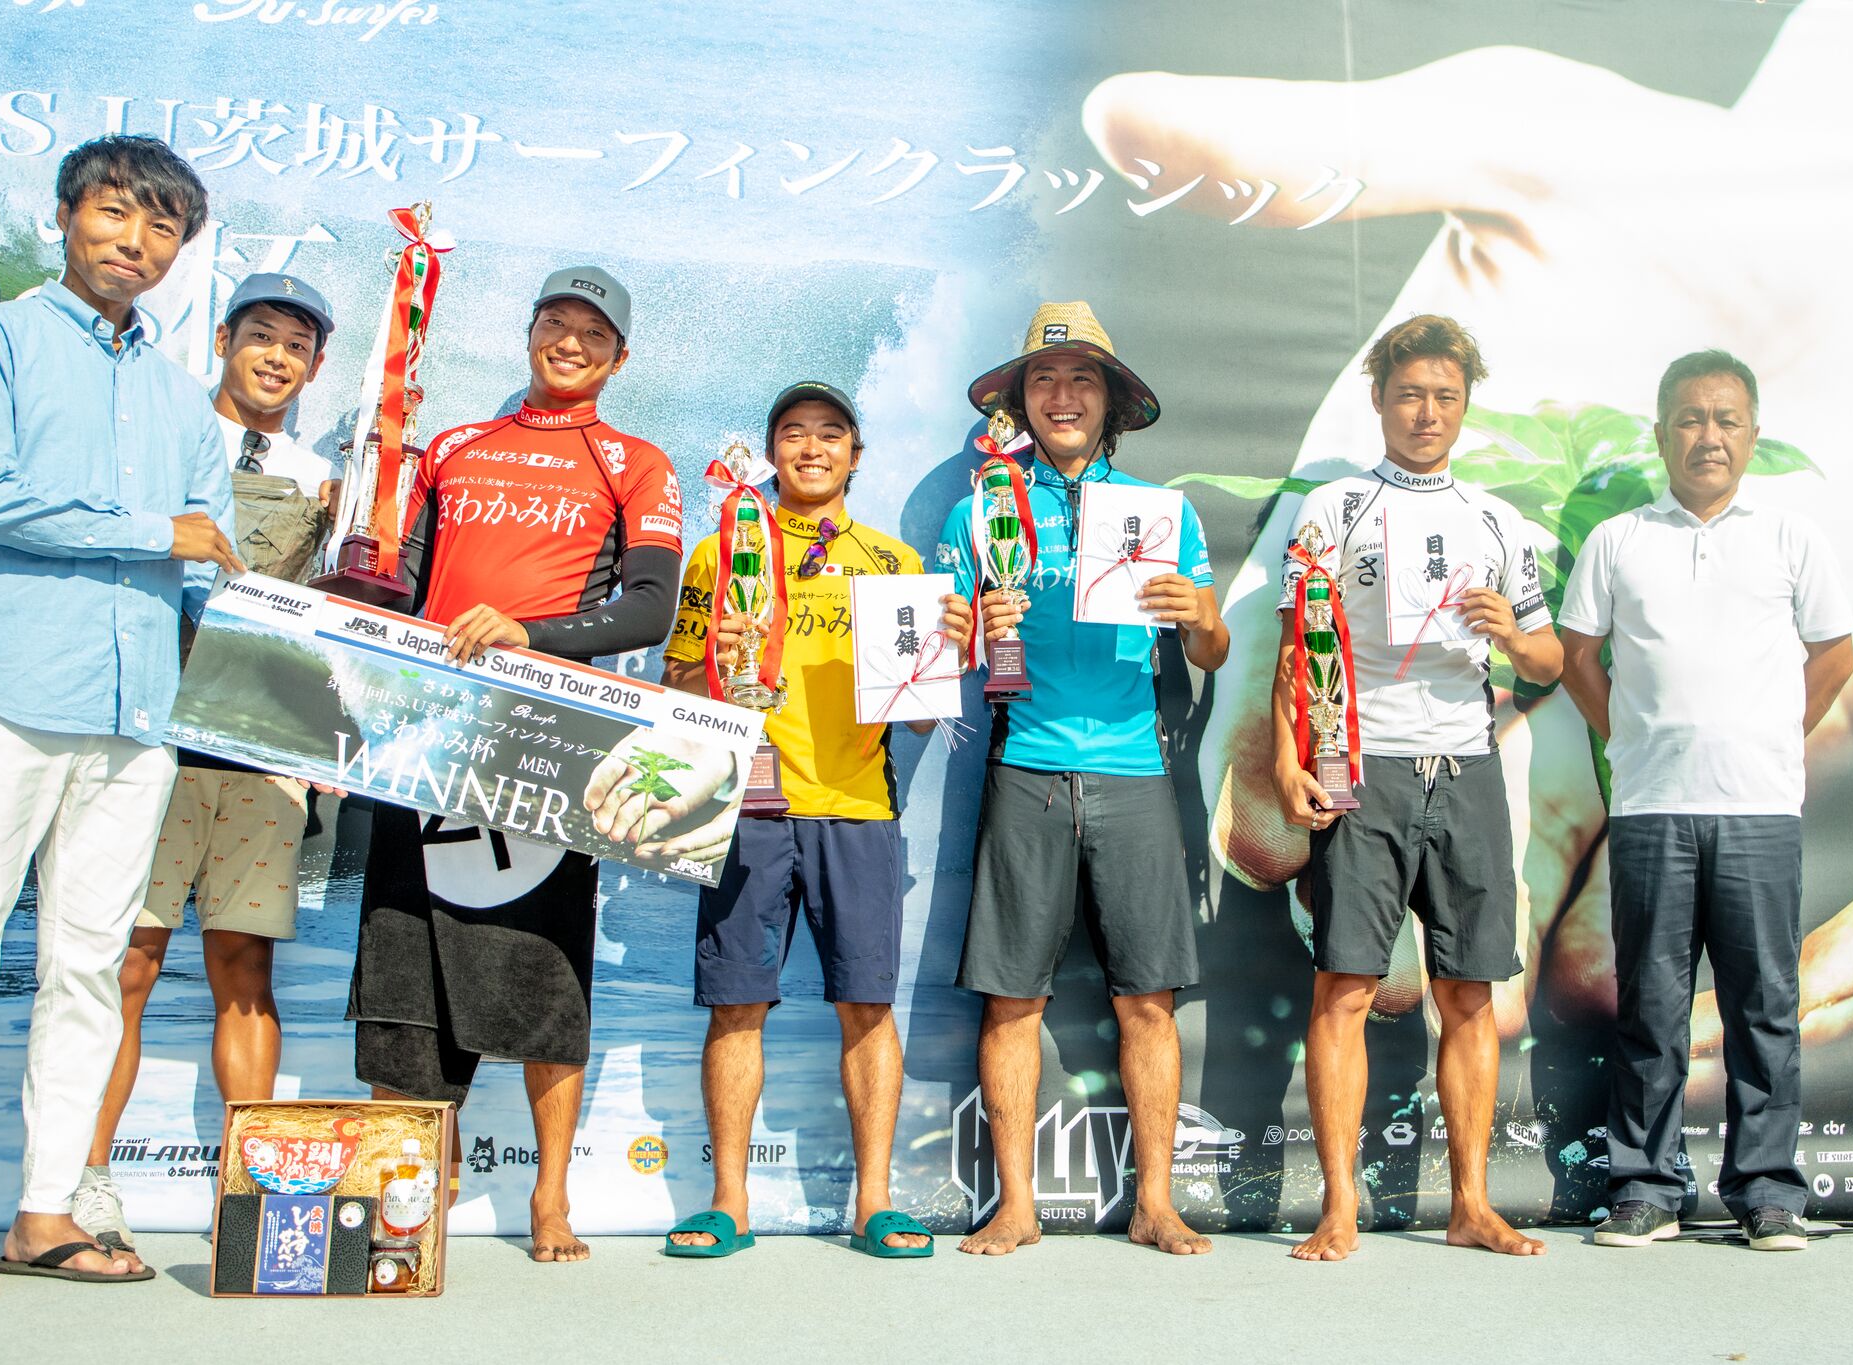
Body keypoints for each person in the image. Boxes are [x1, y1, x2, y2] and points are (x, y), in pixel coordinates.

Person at [0, 134, 237, 1298]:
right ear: (66, 216)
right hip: (1, 696)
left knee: (88, 971)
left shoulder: (183, 398)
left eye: (162, 226)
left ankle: (45, 1214)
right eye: (114, 213)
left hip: (137, 720)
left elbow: (210, 560)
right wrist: (154, 532)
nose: (135, 241)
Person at [346, 265, 683, 1264]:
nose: (570, 343)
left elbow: (648, 609)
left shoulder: (635, 462)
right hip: (425, 733)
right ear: (530, 332)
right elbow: (399, 588)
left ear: (619, 358)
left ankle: (549, 1200)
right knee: (404, 964)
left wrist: (529, 634)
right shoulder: (453, 446)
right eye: (555, 323)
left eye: (593, 333)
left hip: (547, 743)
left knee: (544, 973)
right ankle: (409, 1191)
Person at [652, 382, 972, 1259]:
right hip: (746, 807)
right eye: (793, 432)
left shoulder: (893, 562)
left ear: (855, 456)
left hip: (858, 807)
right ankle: (729, 1202)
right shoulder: (723, 549)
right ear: (770, 452)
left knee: (868, 1006)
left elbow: (918, 721)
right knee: (735, 1007)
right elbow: (676, 687)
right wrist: (716, 659)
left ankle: (875, 1202)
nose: (811, 447)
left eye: (831, 433)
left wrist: (945, 649)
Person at [937, 302, 1228, 1256]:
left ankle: (1156, 1202)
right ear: (1019, 400)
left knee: (1149, 999)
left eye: (1082, 380)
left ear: (1111, 402)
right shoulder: (980, 508)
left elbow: (1214, 650)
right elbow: (938, 651)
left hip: (1136, 770)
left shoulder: (1162, 511)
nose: (1062, 396)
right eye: (1045, 379)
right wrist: (965, 625)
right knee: (1011, 998)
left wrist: (1198, 616)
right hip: (1024, 763)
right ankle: (1016, 1205)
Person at [1271, 314, 1559, 1262]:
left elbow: (1549, 658)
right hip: (1363, 765)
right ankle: (1339, 1207)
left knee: (1469, 992)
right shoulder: (1336, 507)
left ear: (1465, 404)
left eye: (1445, 396)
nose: (1427, 412)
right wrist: (1286, 759)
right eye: (1410, 395)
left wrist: (1512, 635)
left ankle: (1471, 1202)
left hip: (1467, 764)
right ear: (1379, 400)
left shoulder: (1496, 520)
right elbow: (1294, 649)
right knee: (1345, 986)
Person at [1560, 351, 1853, 1252]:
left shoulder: (1791, 537)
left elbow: (1835, 656)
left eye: (1726, 419)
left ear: (1753, 434)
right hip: (1652, 806)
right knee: (1651, 1005)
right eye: (1691, 418)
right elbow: (1578, 657)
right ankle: (1647, 1188)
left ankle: (1767, 1191)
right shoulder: (1619, 540)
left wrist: (1769, 739)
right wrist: (1631, 739)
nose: (1709, 436)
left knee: (1761, 1005)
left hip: (1759, 808)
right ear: (1661, 435)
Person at [71, 274, 338, 1258]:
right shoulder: (161, 437)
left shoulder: (327, 478)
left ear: (315, 367)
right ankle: (81, 1183)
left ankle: (254, 1200)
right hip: (149, 736)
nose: (276, 357)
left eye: (297, 346)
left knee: (245, 968)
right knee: (126, 963)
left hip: (261, 750)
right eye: (261, 335)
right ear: (223, 339)